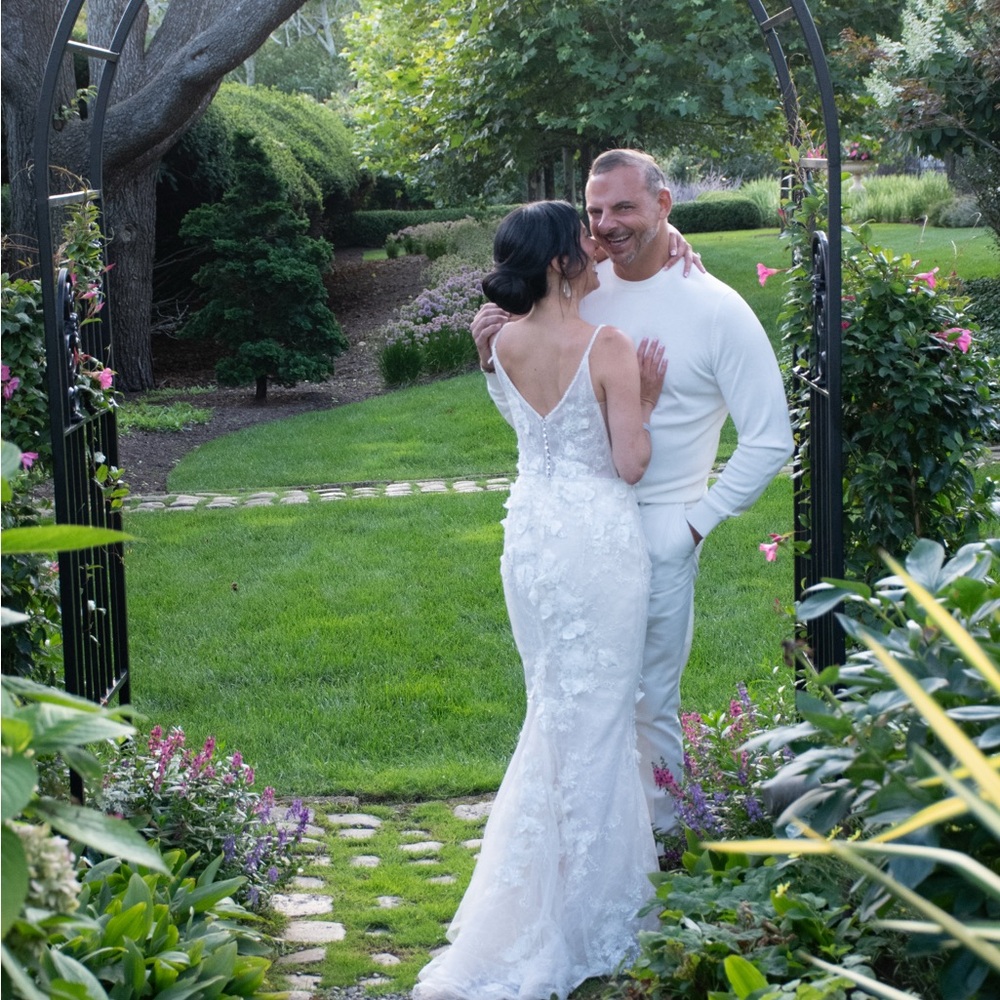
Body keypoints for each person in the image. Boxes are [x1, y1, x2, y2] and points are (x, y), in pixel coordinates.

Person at [473, 150, 794, 834]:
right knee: (573, 695)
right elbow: (548, 422)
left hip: (659, 527)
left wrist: (695, 524)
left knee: (648, 701)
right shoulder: (588, 289)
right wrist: (490, 365)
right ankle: (588, 842)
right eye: (594, 211)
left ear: (664, 206)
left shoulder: (715, 309)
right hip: (579, 530)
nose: (606, 226)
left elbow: (770, 439)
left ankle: (665, 844)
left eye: (624, 208)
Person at [413, 200, 667, 1000]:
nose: (597, 251)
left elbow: (525, 429)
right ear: (561, 262)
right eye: (585, 243)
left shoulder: (500, 341)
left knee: (554, 709)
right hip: (596, 543)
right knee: (595, 717)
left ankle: (538, 904)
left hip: (530, 541)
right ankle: (588, 917)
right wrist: (648, 403)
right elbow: (629, 465)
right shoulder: (610, 345)